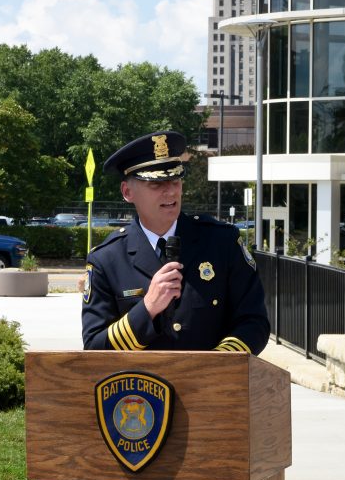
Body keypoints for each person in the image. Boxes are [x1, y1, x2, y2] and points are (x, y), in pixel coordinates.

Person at [82, 131, 271, 354]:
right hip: (139, 387)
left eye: (175, 180)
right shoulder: (106, 258)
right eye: (156, 183)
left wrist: (215, 365)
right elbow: (95, 346)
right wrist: (148, 308)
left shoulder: (222, 242)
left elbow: (254, 322)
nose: (170, 191)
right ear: (127, 191)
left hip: (211, 385)